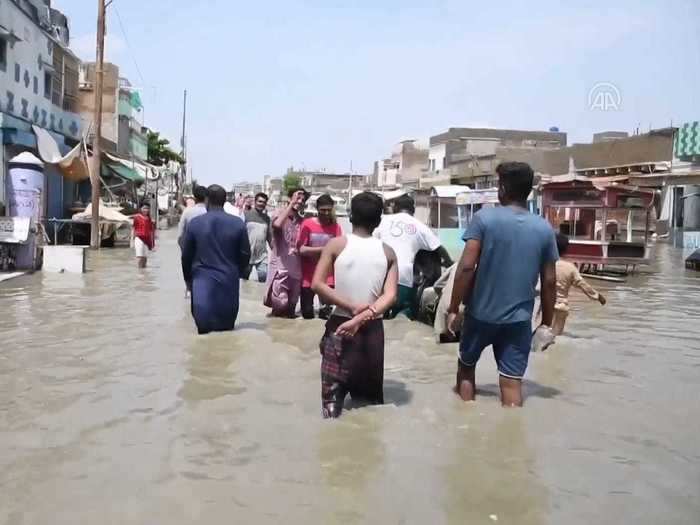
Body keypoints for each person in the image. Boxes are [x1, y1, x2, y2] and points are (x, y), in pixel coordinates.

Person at [447, 162, 559, 407]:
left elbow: (466, 267)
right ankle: (511, 434)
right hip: (519, 321)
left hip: (479, 315)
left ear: (504, 188)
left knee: (466, 369)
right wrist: (546, 323)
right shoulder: (544, 228)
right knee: (511, 383)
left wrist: (454, 308)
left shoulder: (483, 219)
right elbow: (550, 281)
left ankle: (465, 425)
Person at [312, 192, 398, 418]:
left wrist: (351, 309)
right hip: (372, 330)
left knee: (331, 405)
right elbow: (390, 296)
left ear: (350, 216)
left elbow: (317, 284)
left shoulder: (336, 245)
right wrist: (364, 314)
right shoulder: (388, 252)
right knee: (369, 405)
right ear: (379, 221)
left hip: (341, 325)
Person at [181, 184, 251, 335]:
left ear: (206, 200)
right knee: (227, 333)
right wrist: (236, 272)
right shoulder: (238, 223)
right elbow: (245, 255)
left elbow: (186, 256)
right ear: (225, 200)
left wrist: (188, 280)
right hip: (229, 283)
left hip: (201, 284)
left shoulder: (195, 224)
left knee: (203, 334)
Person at [374, 194, 452, 318]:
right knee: (405, 309)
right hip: (403, 276)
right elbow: (439, 248)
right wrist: (450, 264)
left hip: (378, 272)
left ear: (395, 208)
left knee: (377, 312)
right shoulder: (420, 226)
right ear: (413, 210)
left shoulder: (382, 220)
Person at [550, 233, 607, 335]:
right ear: (566, 249)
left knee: (541, 338)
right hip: (561, 307)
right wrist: (598, 296)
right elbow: (583, 285)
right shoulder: (570, 268)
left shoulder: (545, 264)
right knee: (556, 337)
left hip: (547, 305)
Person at [264, 188, 309, 317]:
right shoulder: (279, 214)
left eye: (302, 199)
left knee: (291, 309)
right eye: (297, 198)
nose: (299, 201)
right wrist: (291, 204)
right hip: (280, 269)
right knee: (281, 303)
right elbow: (277, 225)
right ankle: (273, 330)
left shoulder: (302, 221)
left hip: (296, 270)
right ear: (289, 198)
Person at [297, 194, 343, 319]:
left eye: (329, 210)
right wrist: (324, 250)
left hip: (328, 277)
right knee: (307, 314)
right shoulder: (307, 224)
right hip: (308, 276)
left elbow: (339, 251)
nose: (326, 213)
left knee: (325, 316)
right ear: (317, 208)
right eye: (323, 210)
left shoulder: (336, 227)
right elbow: (301, 249)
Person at [243, 192, 272, 283]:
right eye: (260, 201)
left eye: (264, 202)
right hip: (247, 254)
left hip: (262, 255)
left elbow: (269, 237)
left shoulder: (267, 219)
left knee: (263, 275)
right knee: (244, 279)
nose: (262, 204)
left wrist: (275, 251)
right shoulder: (245, 215)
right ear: (255, 202)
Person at [178, 185, 208, 250]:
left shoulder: (187, 211)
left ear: (195, 198)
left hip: (190, 249)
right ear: (206, 197)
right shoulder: (209, 212)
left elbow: (180, 235)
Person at [132, 201, 155, 269]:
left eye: (147, 208)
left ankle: (144, 273)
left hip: (147, 240)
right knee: (140, 257)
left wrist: (152, 243)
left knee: (145, 258)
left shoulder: (149, 219)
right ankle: (139, 273)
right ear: (140, 209)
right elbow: (133, 228)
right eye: (144, 208)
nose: (146, 210)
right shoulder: (137, 217)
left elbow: (151, 231)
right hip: (139, 238)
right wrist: (132, 240)